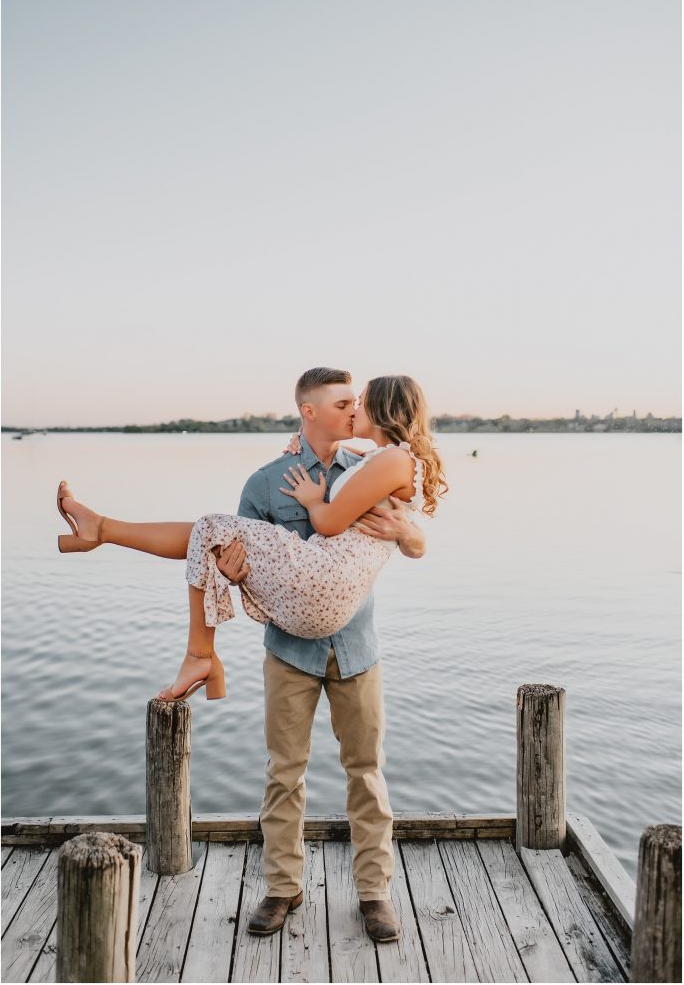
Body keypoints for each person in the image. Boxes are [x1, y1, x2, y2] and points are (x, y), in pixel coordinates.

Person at [56, 369, 447, 942]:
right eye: (342, 403)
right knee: (283, 774)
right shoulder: (267, 483)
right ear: (307, 412)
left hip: (356, 648)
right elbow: (237, 560)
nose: (351, 411)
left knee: (367, 774)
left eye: (357, 403)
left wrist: (411, 534)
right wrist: (233, 574)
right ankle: (282, 888)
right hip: (290, 650)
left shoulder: (365, 464)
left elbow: (414, 533)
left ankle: (374, 894)